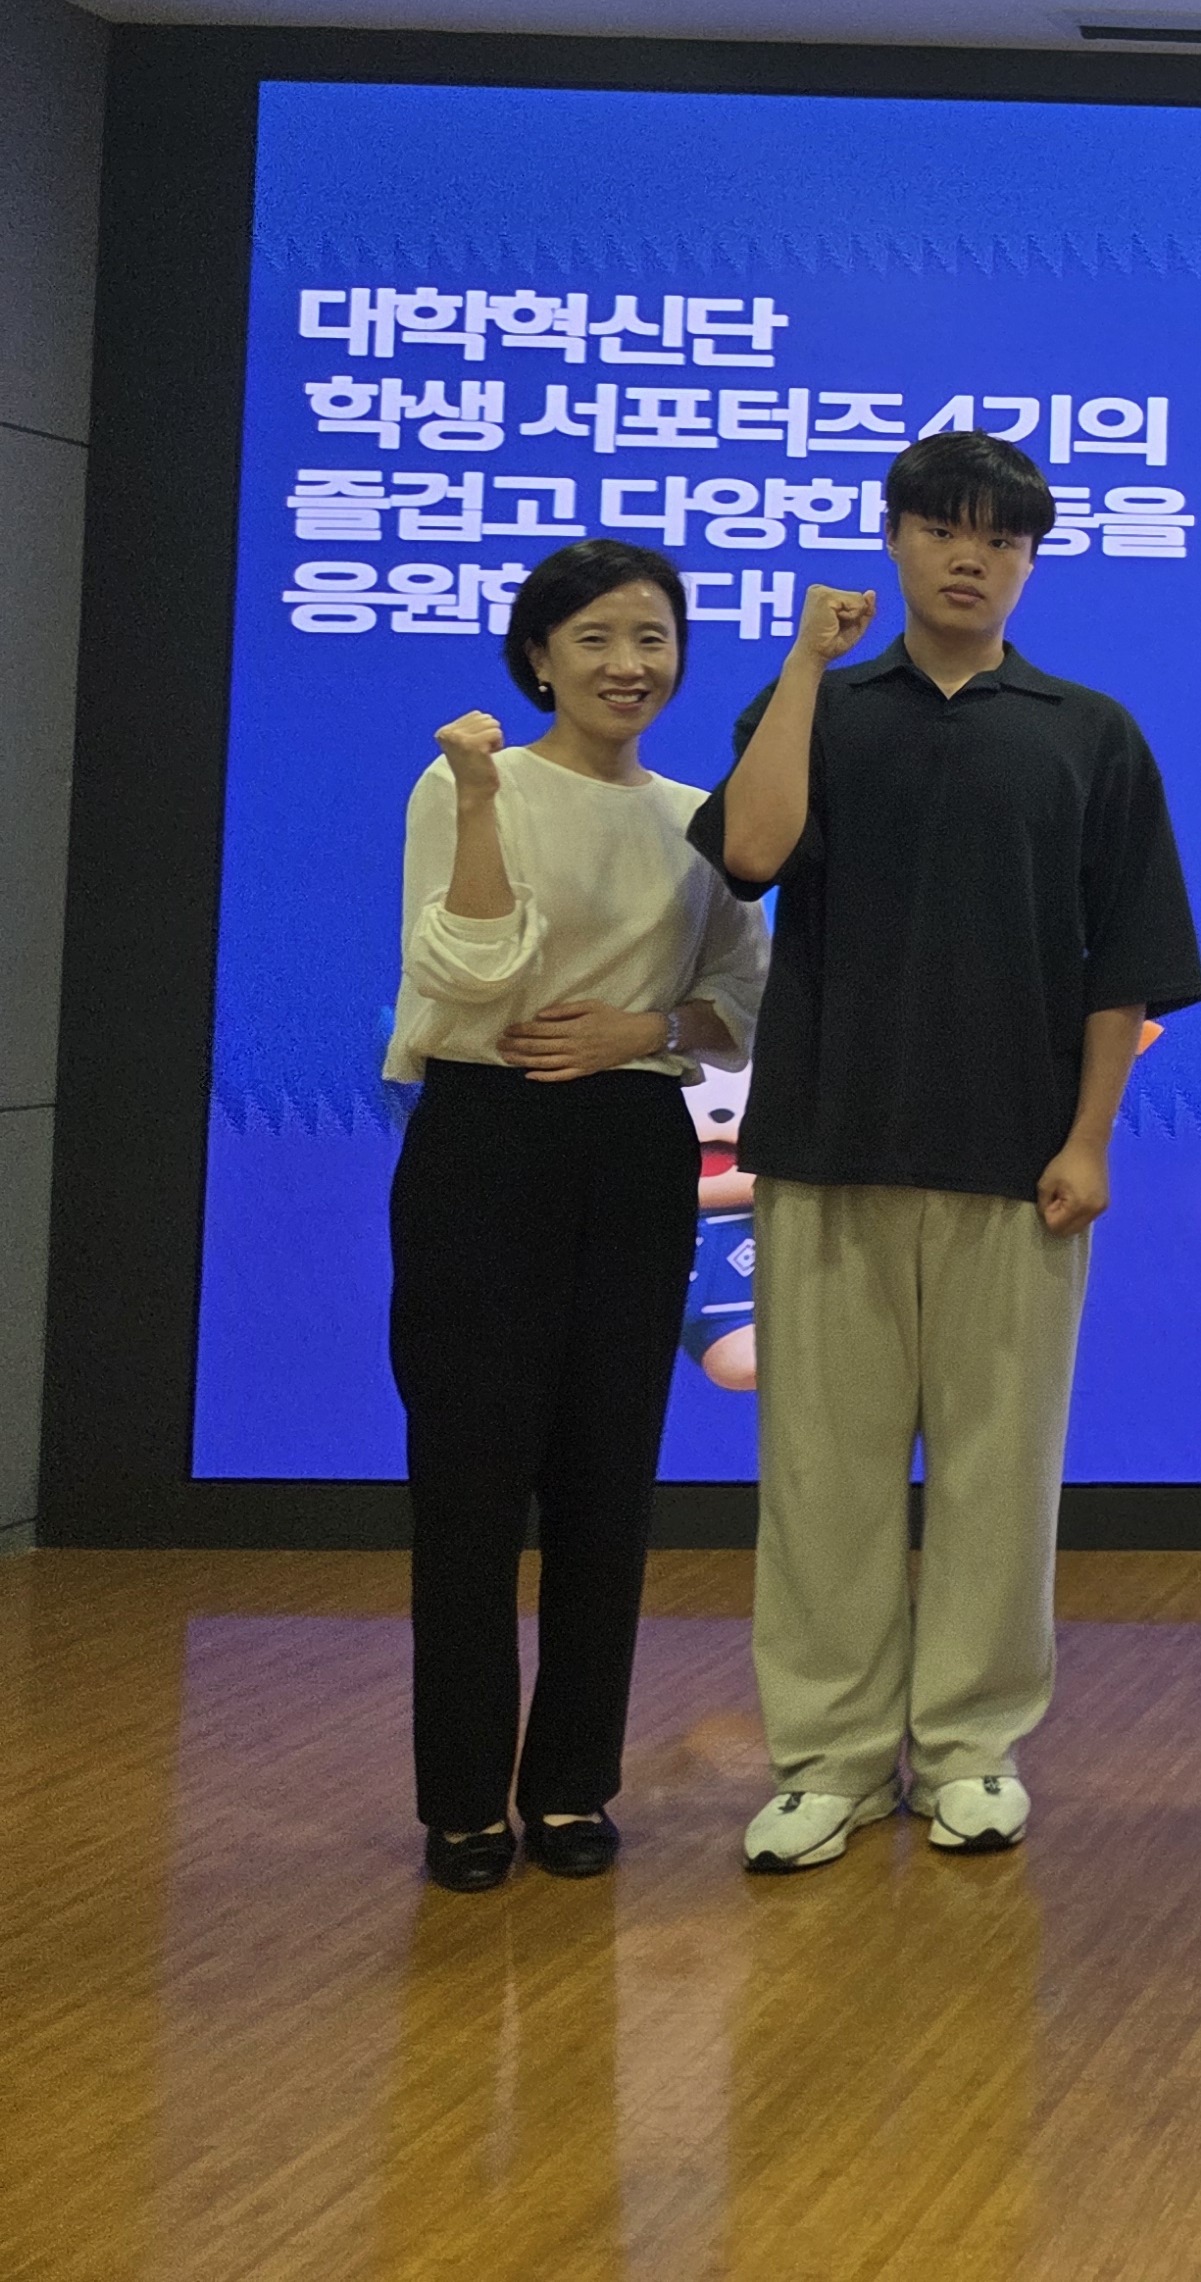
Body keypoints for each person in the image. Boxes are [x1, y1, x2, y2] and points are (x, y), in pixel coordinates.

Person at [696, 431, 1201, 1872]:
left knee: (998, 1475)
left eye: (1000, 536)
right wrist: (804, 666)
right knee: (823, 1476)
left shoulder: (1087, 731)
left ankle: (974, 1747)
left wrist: (1091, 1139)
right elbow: (750, 854)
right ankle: (831, 1760)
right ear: (895, 536)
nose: (969, 556)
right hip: (828, 1146)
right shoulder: (816, 704)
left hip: (1017, 1160)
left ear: (1031, 559)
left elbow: (1124, 967)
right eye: (942, 528)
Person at [387, 538, 765, 1890]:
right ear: (539, 656)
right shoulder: (465, 781)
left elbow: (743, 1000)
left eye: (652, 637)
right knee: (470, 1485)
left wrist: (642, 1029)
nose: (628, 663)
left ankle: (568, 1789)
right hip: (484, 1138)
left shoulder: (699, 816)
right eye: (596, 637)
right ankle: (461, 1805)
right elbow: (467, 969)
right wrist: (485, 797)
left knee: (608, 1487)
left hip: (633, 1144)